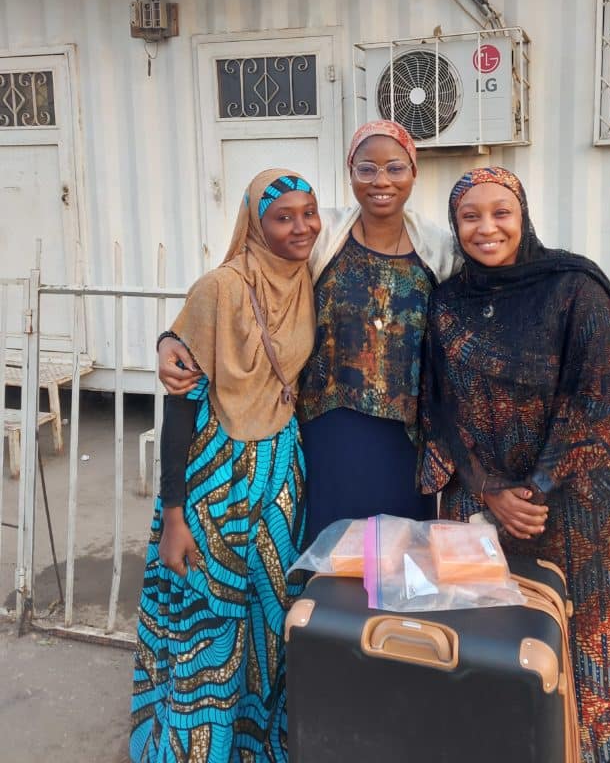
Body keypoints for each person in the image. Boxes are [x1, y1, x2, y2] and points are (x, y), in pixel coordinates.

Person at [419, 166, 610, 763]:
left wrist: (536, 487)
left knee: (592, 652)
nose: (486, 227)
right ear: (455, 226)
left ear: (522, 214)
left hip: (578, 509)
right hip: (487, 511)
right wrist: (491, 489)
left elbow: (599, 394)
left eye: (500, 211)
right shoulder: (448, 304)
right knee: (501, 650)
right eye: (469, 216)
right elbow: (439, 407)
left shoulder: (574, 288)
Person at [158, 120, 459, 545]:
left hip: (406, 435)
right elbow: (247, 275)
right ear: (350, 172)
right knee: (329, 553)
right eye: (366, 168)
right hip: (328, 427)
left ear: (414, 170)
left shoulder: (440, 249)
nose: (381, 181)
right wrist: (171, 338)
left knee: (399, 558)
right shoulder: (324, 235)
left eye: (395, 168)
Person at [130, 170, 320, 763]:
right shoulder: (219, 288)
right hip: (215, 474)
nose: (300, 227)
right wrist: (173, 513)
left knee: (269, 620)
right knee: (206, 624)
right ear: (254, 223)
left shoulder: (307, 278)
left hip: (281, 470)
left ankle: (256, 747)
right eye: (282, 216)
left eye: (308, 213)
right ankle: (191, 750)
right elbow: (180, 406)